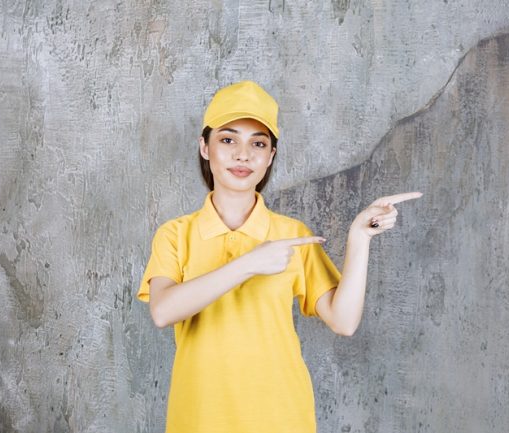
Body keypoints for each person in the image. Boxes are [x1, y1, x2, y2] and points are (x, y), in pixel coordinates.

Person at [136, 80, 422, 433]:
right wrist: (250, 263)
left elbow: (343, 321)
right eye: (228, 140)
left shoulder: (292, 235)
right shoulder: (175, 234)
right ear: (205, 147)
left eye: (258, 143)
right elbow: (163, 310)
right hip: (199, 419)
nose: (243, 155)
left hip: (281, 417)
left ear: (270, 155)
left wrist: (359, 237)